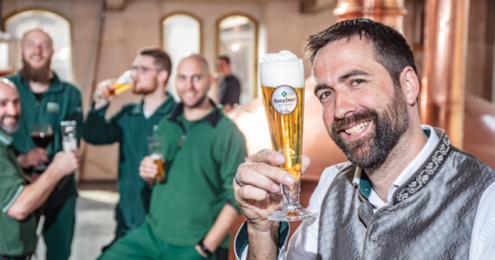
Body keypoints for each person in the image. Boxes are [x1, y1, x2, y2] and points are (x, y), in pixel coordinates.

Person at [233, 18, 495, 259]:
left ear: (408, 85)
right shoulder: (331, 185)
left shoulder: (485, 198)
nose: (339, 110)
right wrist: (261, 229)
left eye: (356, 81)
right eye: (326, 94)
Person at [98, 54, 247, 260]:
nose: (189, 86)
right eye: (182, 78)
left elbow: (236, 197)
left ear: (210, 81)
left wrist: (205, 248)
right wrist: (149, 175)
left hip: (195, 243)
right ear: (175, 80)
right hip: (151, 236)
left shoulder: (227, 133)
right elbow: (159, 182)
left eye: (196, 78)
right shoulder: (167, 124)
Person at [83, 47, 176, 239]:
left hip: (162, 221)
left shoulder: (177, 116)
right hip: (126, 220)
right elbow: (93, 135)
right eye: (133, 68)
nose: (134, 75)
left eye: (142, 69)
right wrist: (99, 104)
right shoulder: (128, 113)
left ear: (162, 75)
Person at [6, 28, 83, 260]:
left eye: (44, 45)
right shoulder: (7, 89)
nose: (37, 51)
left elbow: (71, 141)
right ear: (21, 49)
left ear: (53, 51)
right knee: (17, 251)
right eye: (31, 44)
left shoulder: (70, 94)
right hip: (17, 187)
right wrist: (21, 159)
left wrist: (52, 172)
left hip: (61, 189)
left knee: (59, 254)